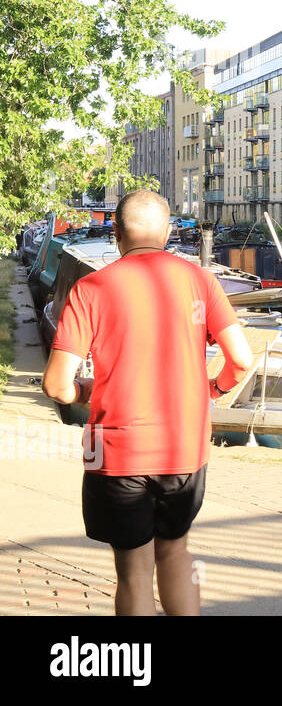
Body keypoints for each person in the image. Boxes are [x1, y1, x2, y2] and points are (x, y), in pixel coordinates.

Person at [43, 190, 254, 616]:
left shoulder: (91, 288)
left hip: (117, 453)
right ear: (169, 231)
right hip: (183, 448)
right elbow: (242, 360)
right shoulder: (200, 279)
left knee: (134, 572)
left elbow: (57, 387)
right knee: (176, 552)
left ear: (117, 233)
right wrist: (212, 390)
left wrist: (86, 390)